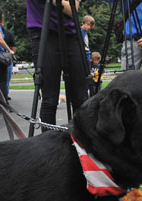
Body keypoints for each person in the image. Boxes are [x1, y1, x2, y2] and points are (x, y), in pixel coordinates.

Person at [26, 0, 89, 128]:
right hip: (43, 31)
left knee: (81, 98)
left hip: (71, 34)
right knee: (50, 99)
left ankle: (82, 142)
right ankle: (49, 145)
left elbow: (73, 8)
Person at [2, 21, 17, 101]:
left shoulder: (8, 34)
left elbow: (14, 46)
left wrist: (11, 54)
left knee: (7, 79)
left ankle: (5, 95)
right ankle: (2, 96)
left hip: (7, 58)